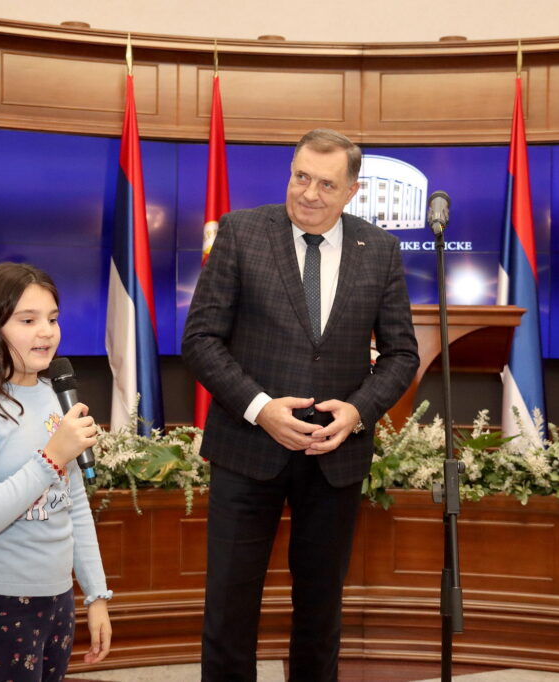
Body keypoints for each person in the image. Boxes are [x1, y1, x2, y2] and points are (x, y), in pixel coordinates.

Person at [182, 128, 419, 680]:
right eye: (301, 177)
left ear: (352, 191)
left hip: (334, 457)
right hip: (247, 449)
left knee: (320, 610)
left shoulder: (379, 250)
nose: (309, 193)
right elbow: (201, 339)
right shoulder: (241, 232)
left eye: (326, 184)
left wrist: (357, 412)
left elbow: (401, 354)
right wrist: (261, 408)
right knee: (229, 606)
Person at [0, 262, 113, 681]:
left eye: (52, 318)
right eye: (28, 320)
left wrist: (96, 594)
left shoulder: (54, 396)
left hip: (55, 597)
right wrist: (50, 458)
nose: (46, 332)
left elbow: (73, 504)